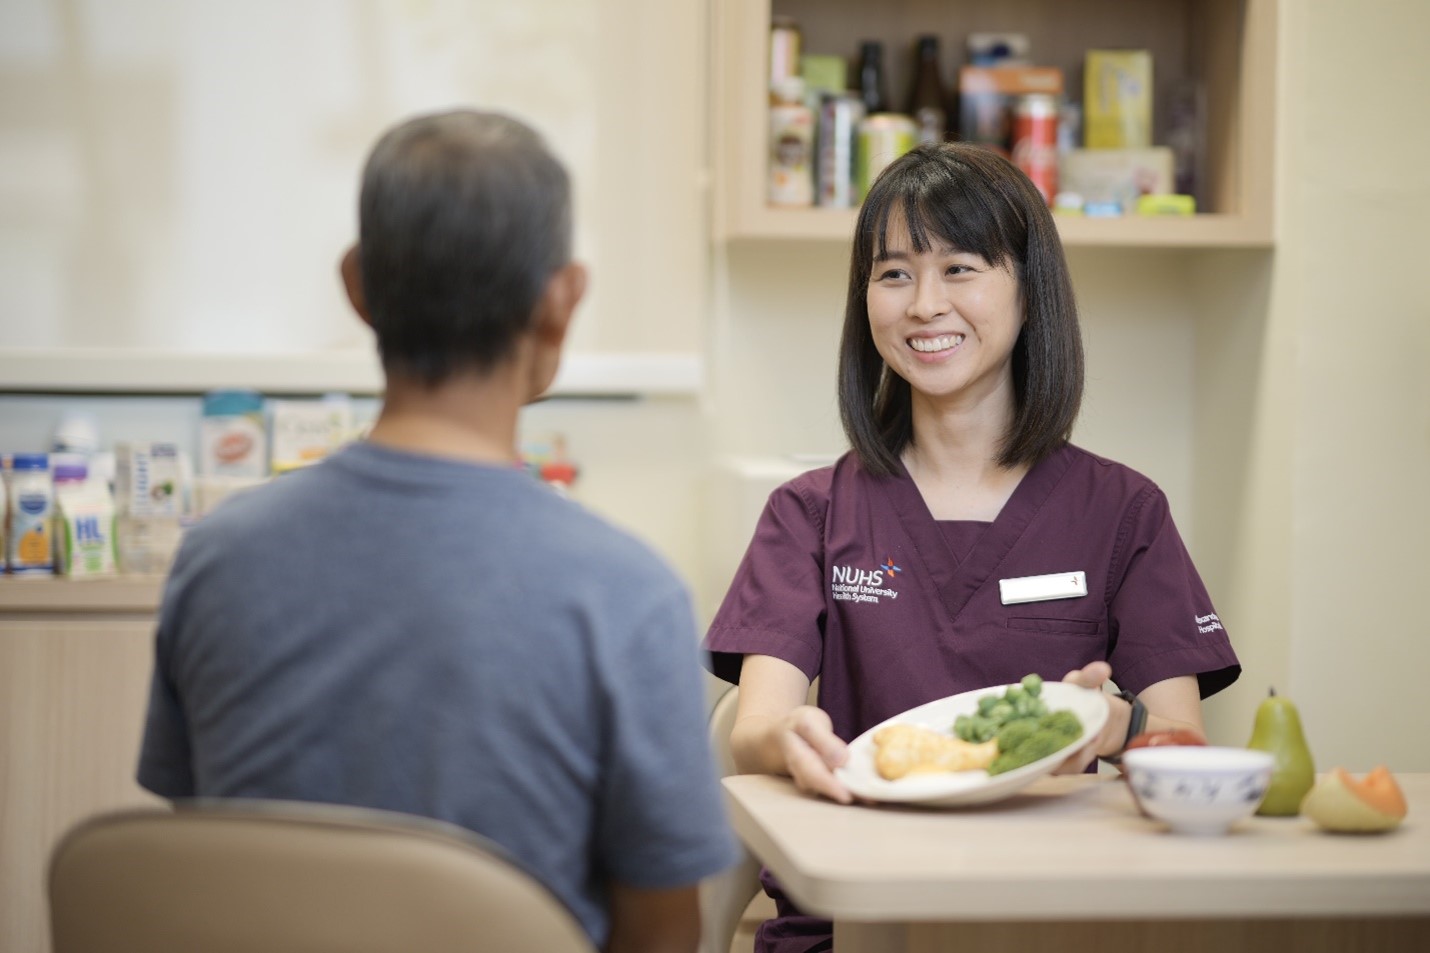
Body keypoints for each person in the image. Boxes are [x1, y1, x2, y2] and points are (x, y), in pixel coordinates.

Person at [137, 110, 738, 953]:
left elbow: (204, 856)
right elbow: (662, 933)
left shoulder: (216, 558)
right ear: (562, 302)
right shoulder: (626, 594)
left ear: (357, 285)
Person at [703, 142, 1240, 953]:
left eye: (960, 268)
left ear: (1030, 291)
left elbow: (1180, 740)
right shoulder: (808, 512)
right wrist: (787, 739)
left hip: (1052, 918)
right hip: (854, 917)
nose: (923, 303)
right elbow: (758, 723)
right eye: (893, 273)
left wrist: (1112, 726)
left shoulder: (1123, 510)